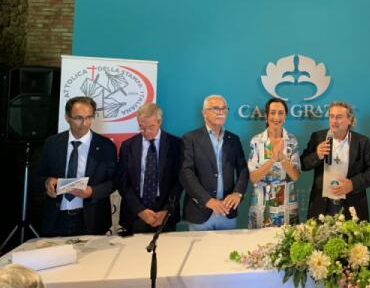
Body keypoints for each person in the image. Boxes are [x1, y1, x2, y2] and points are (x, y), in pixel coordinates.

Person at [37, 96, 117, 237]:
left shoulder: (106, 146)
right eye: (78, 118)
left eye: (89, 118)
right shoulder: (52, 143)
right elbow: (37, 176)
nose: (84, 123)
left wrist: (92, 191)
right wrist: (47, 182)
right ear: (67, 117)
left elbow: (114, 181)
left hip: (91, 219)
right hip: (56, 218)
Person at [180, 94, 249, 231]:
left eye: (224, 108)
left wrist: (238, 193)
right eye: (216, 108)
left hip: (227, 211)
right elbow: (186, 173)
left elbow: (243, 169)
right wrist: (207, 200)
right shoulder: (190, 138)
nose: (221, 112)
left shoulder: (233, 139)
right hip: (201, 211)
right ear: (204, 113)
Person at [301, 101, 370, 221]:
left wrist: (353, 184)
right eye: (331, 116)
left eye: (339, 117)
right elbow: (303, 164)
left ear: (350, 120)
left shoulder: (361, 142)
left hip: (352, 205)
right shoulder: (318, 137)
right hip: (322, 206)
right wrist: (317, 155)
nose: (334, 121)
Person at [117, 103, 182, 233]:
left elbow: (179, 181)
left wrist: (167, 210)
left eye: (151, 127)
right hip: (135, 212)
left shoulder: (175, 144)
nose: (146, 132)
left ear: (159, 122)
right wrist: (139, 210)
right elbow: (123, 182)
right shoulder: (128, 146)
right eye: (142, 127)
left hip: (164, 212)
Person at [247, 98, 301, 228]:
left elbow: (295, 176)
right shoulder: (256, 141)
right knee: (258, 240)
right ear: (266, 116)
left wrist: (281, 156)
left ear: (285, 116)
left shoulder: (292, 141)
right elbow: (253, 177)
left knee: (287, 239)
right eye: (272, 113)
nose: (276, 117)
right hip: (261, 203)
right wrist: (272, 159)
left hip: (287, 203)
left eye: (280, 113)